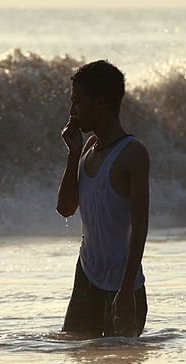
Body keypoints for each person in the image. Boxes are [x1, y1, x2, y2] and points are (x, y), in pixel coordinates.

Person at [56, 60, 149, 338]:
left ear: (100, 103)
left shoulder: (133, 153)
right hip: (87, 276)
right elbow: (64, 209)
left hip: (123, 285)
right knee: (79, 362)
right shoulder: (86, 148)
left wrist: (126, 291)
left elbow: (140, 225)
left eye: (77, 102)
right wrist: (72, 156)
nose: (72, 112)